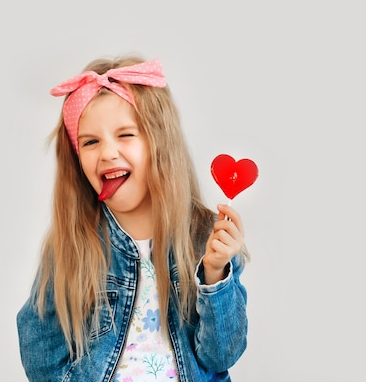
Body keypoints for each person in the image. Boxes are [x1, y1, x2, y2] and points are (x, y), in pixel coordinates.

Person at [17, 55, 249, 382]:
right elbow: (39, 349)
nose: (108, 152)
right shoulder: (73, 245)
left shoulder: (203, 238)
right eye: (91, 142)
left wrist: (214, 274)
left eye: (125, 135)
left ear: (160, 144)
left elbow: (222, 354)